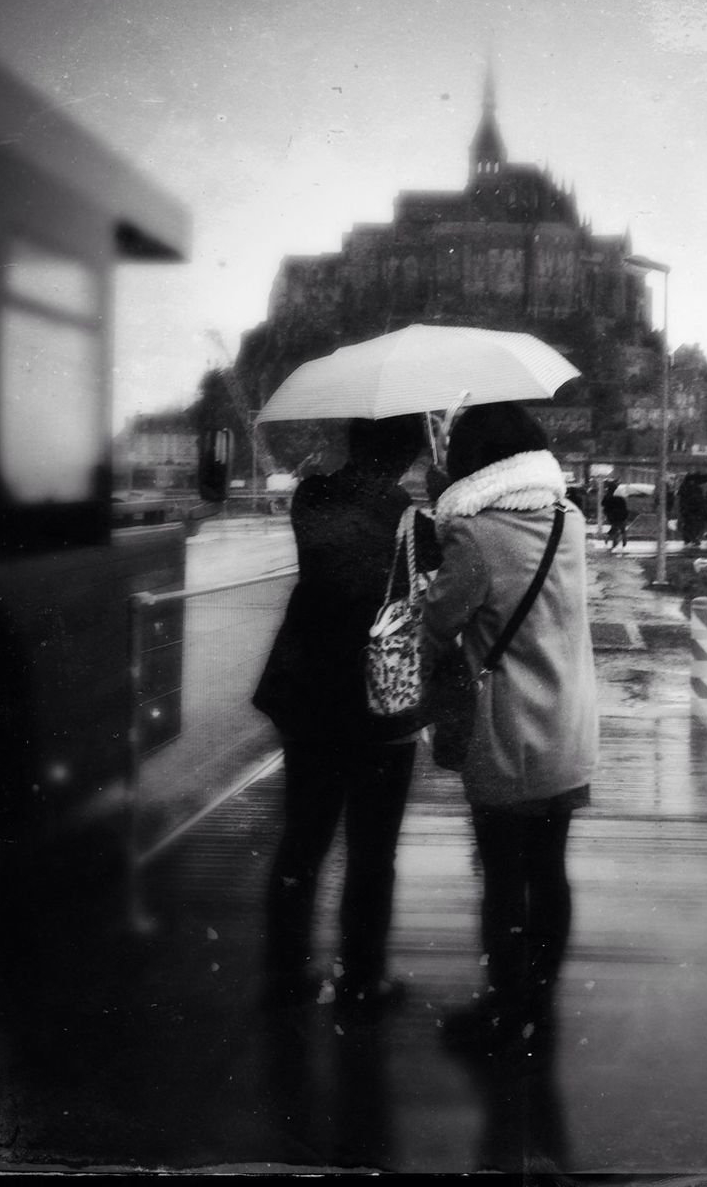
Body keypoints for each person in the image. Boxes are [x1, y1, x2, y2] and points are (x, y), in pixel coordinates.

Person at [423, 403, 599, 1049]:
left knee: (503, 878)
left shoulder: (474, 536)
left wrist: (442, 529)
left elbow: (438, 623)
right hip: (568, 728)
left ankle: (505, 1008)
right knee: (550, 870)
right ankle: (539, 1002)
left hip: (507, 733)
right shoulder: (570, 519)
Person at [252, 414, 436, 1017]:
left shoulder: (311, 497)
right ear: (408, 454)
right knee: (371, 849)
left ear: (355, 441)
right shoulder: (412, 520)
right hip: (379, 699)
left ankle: (286, 971)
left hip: (307, 693)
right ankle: (363, 977)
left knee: (303, 839)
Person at [601, 480, 629, 551]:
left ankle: (610, 540)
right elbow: (624, 505)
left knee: (615, 528)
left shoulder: (608, 496)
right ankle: (621, 542)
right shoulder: (620, 495)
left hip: (612, 516)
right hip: (622, 515)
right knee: (621, 528)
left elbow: (603, 504)